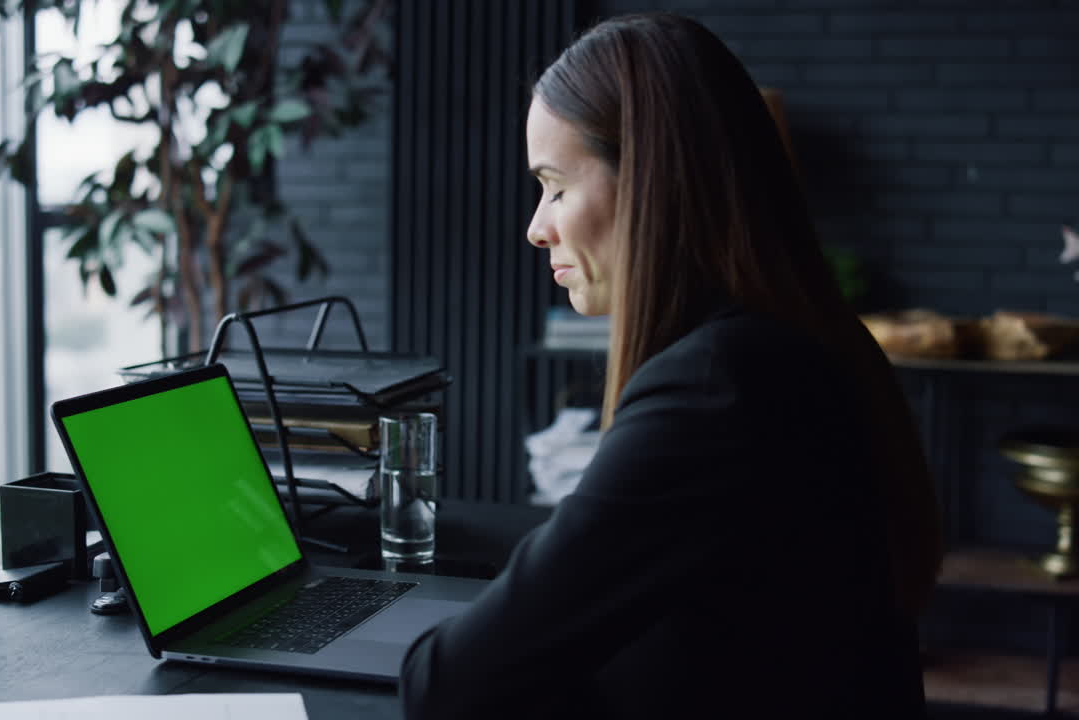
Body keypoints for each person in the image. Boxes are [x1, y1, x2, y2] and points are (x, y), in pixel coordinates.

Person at [399, 12, 942, 719]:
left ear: (653, 182)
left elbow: (448, 685)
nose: (538, 226)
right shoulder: (800, 340)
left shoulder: (718, 385)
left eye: (556, 186)